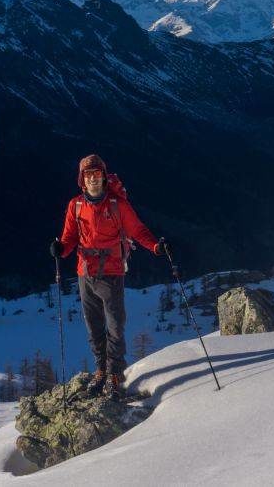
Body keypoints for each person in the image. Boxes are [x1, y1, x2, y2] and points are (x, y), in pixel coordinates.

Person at [49, 154, 167, 398]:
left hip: (111, 271)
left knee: (115, 326)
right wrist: (61, 248)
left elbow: (137, 229)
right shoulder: (76, 205)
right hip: (85, 272)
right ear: (82, 179)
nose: (93, 178)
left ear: (103, 176)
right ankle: (101, 370)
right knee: (93, 326)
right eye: (88, 175)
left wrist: (155, 246)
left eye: (96, 174)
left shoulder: (117, 204)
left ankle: (114, 373)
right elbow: (70, 236)